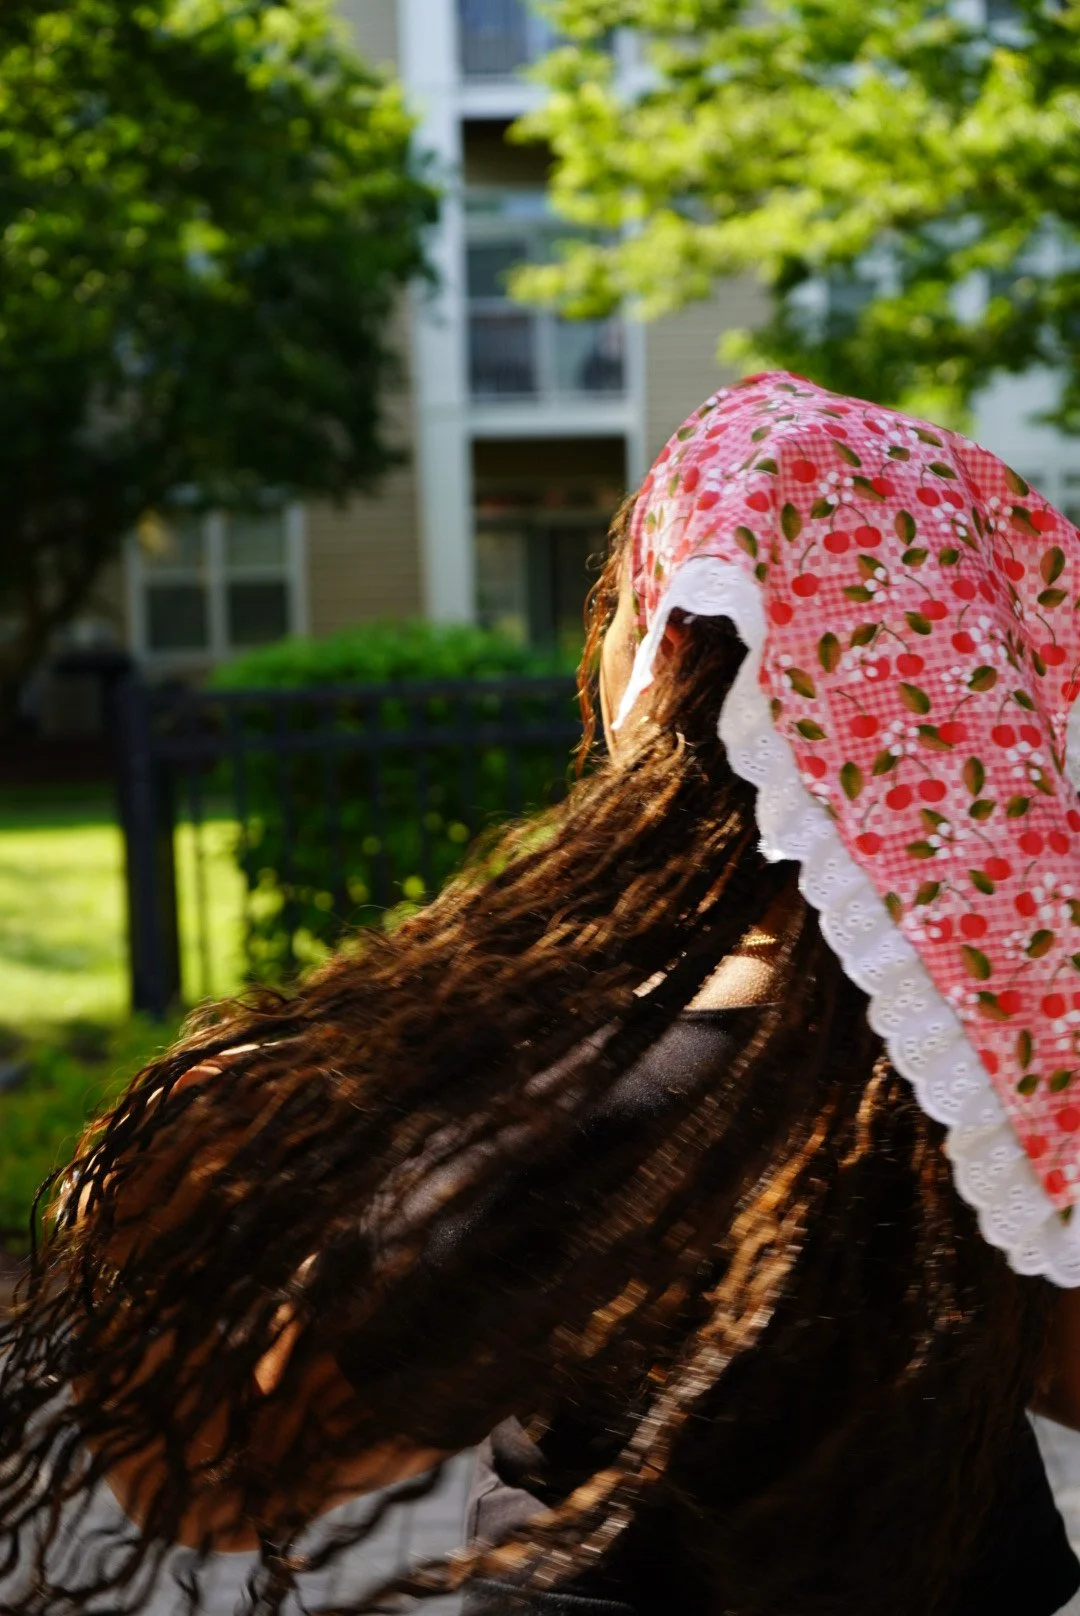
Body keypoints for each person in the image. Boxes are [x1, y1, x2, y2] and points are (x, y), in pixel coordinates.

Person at [5, 371, 1080, 1616]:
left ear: (666, 650)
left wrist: (131, 1201)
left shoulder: (579, 1089)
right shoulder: (1017, 1083)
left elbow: (213, 1490)